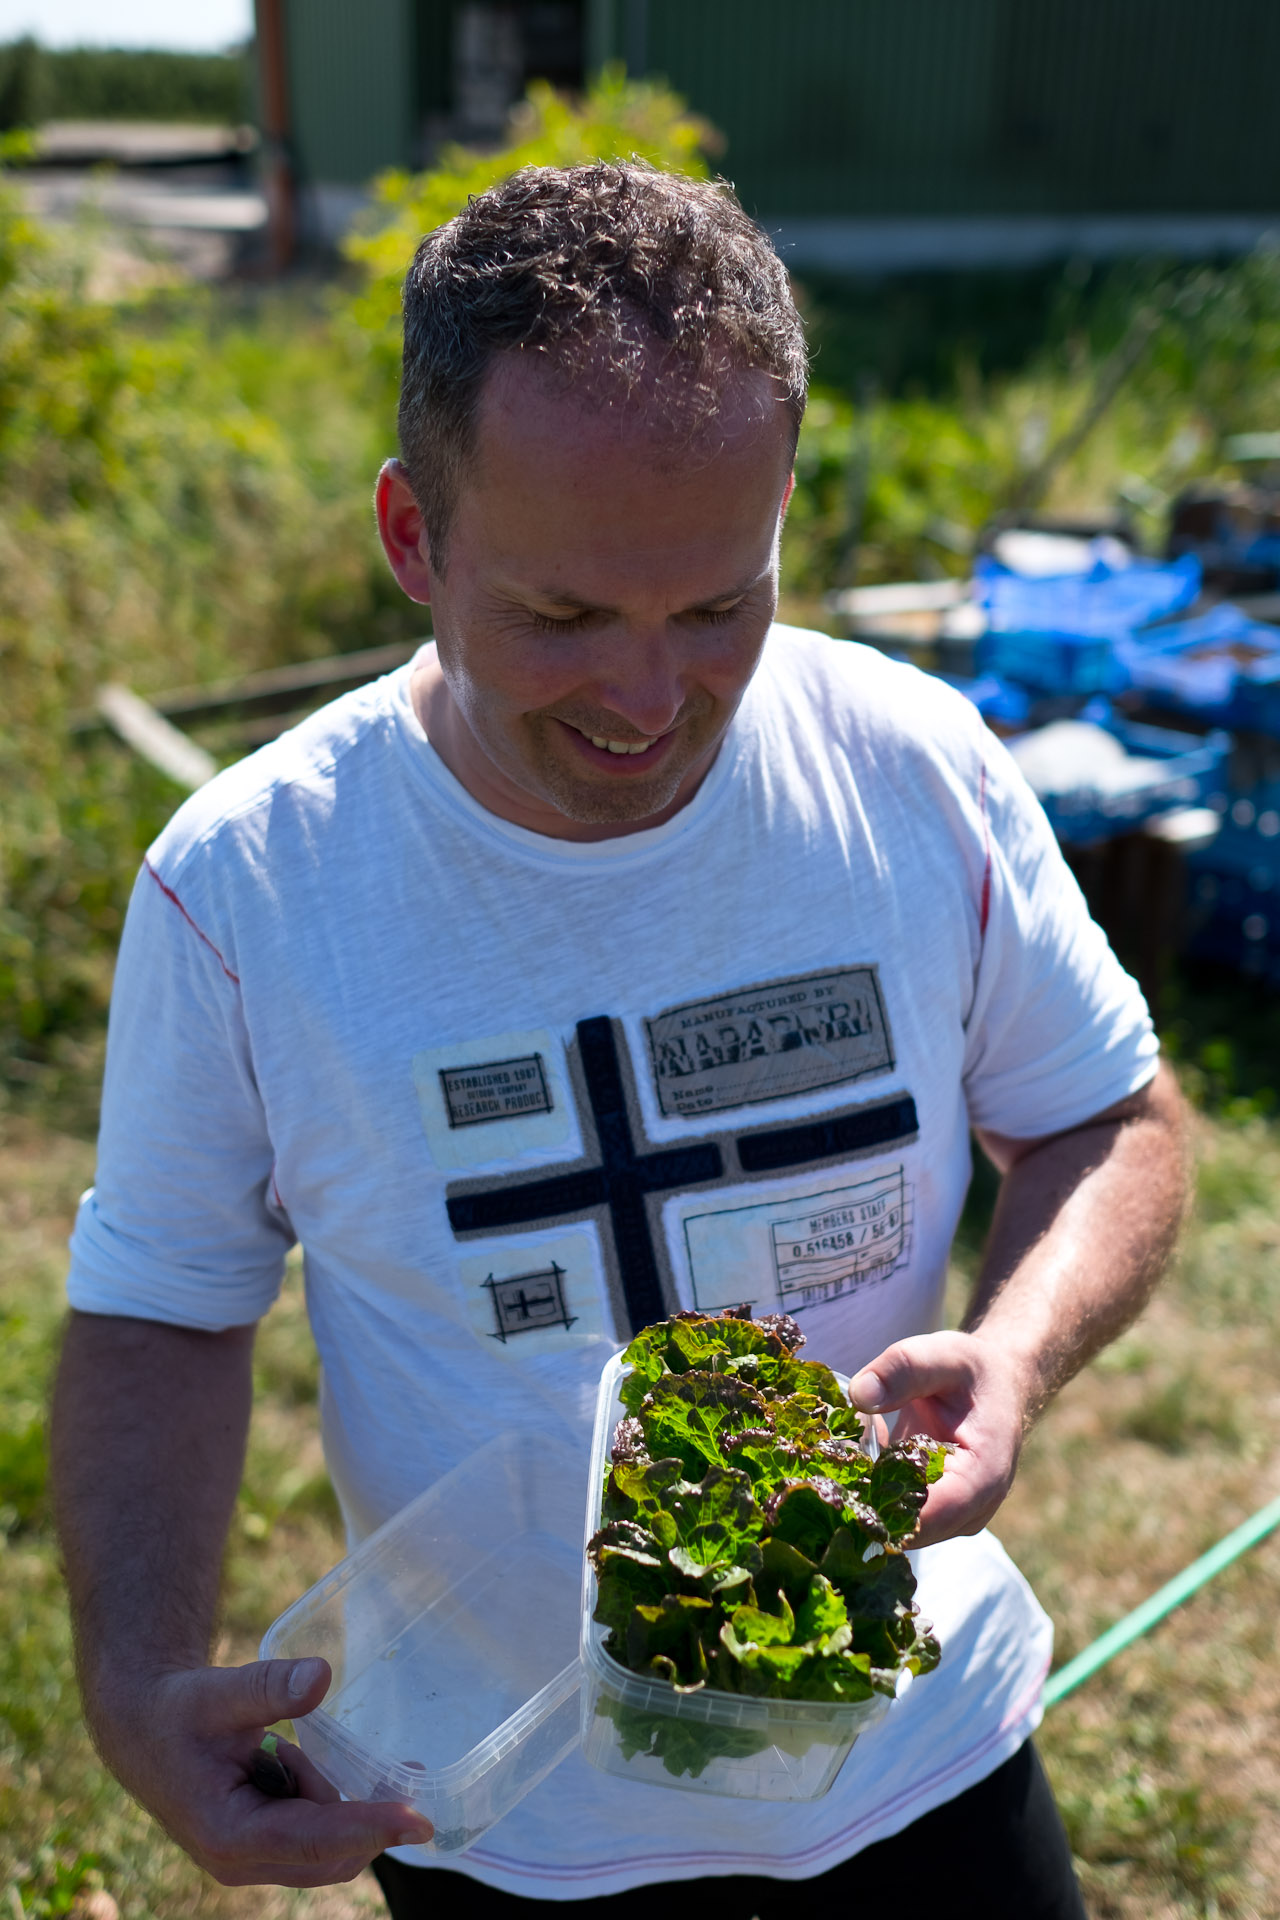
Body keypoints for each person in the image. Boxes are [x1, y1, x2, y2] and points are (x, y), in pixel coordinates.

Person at [52, 163, 1187, 1920]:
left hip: (918, 1741)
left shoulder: (918, 770)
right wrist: (132, 1688)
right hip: (508, 1817)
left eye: (720, 605)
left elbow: (1110, 1117)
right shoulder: (248, 884)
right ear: (413, 538)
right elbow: (162, 1308)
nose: (651, 701)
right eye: (564, 618)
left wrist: (1019, 1354)